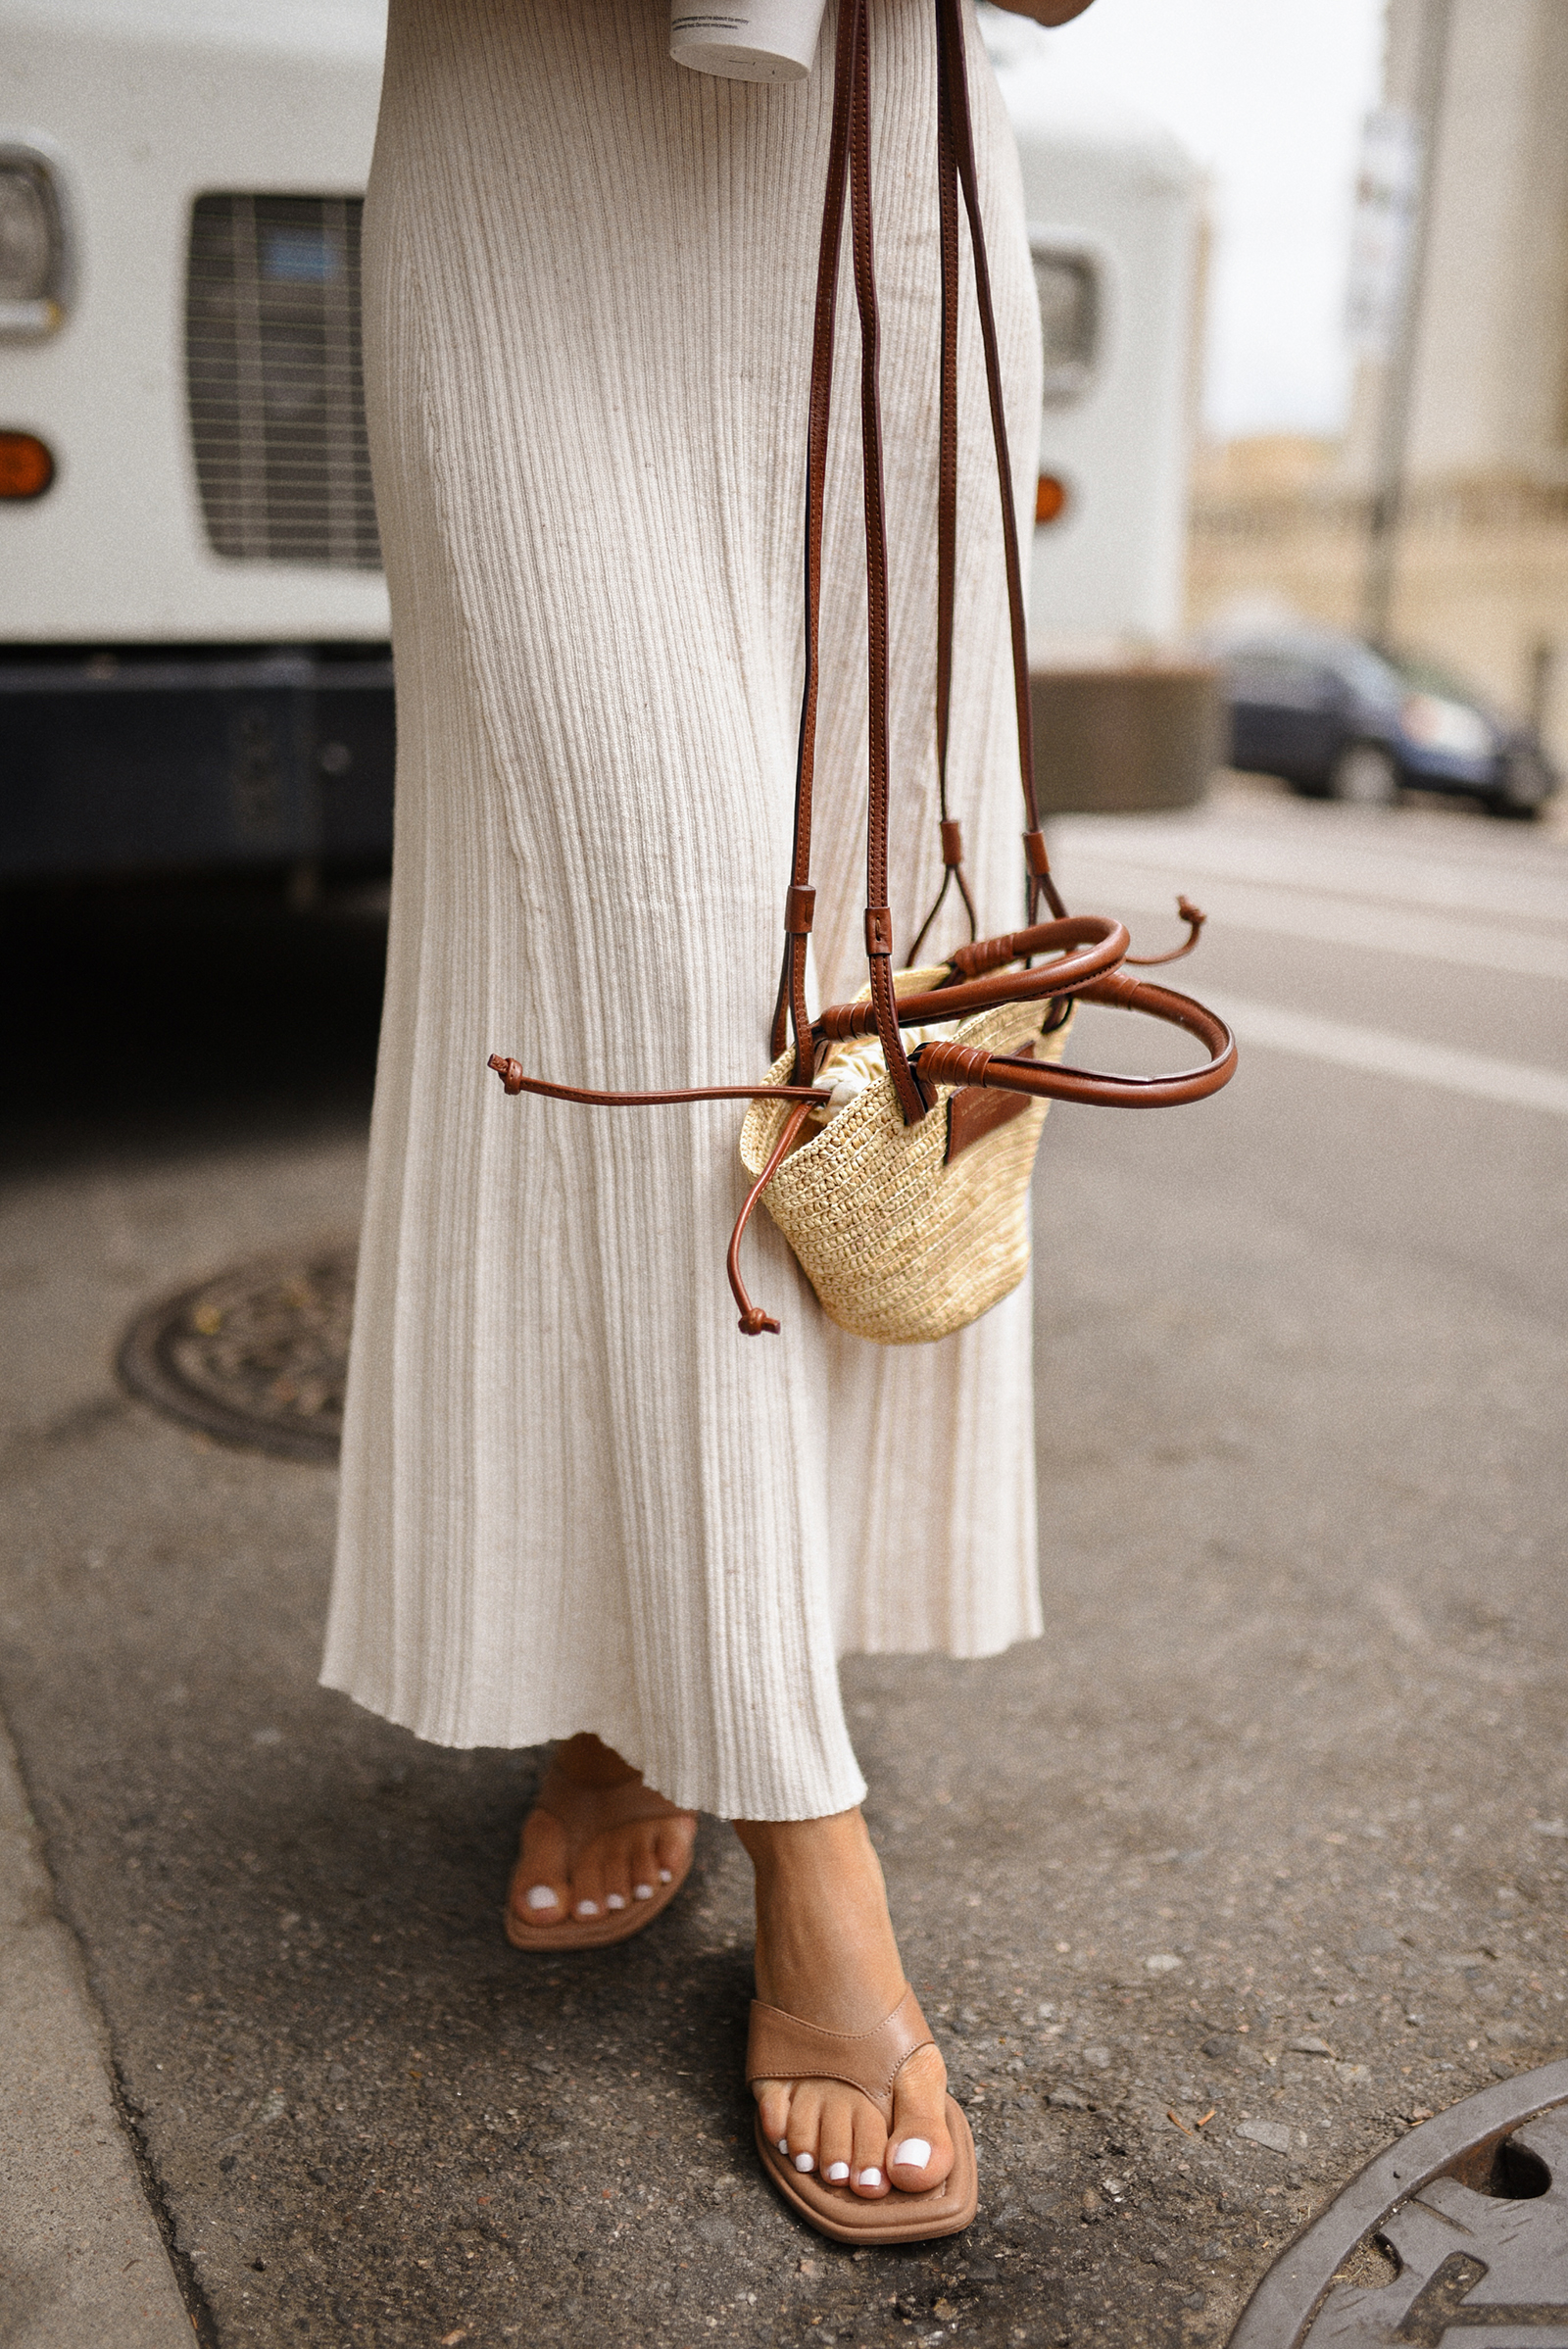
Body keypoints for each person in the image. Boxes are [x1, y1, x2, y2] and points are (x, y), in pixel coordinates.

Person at [322, 0, 1097, 2245]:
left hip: (879, 221)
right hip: (533, 161)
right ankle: (805, 1826)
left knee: (852, 979)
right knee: (637, 984)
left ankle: (636, 1651)